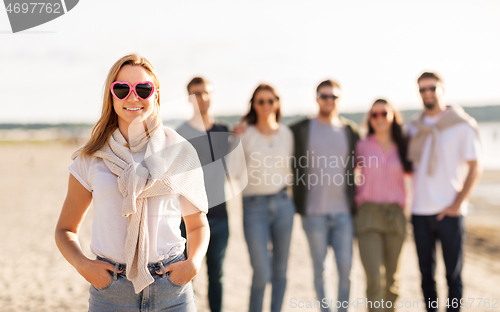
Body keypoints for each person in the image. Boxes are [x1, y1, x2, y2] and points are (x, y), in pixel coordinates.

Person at [55, 54, 210, 312]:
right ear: (111, 95)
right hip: (111, 293)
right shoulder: (91, 157)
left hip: (172, 291)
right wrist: (84, 266)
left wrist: (193, 263)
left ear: (156, 94)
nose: (133, 96)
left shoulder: (180, 151)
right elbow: (65, 230)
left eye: (143, 88)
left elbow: (197, 225)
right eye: (122, 89)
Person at [408, 72, 482, 312]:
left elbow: (475, 167)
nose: (428, 93)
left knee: (453, 275)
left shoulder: (461, 124)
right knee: (426, 276)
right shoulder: (414, 127)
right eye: (422, 89)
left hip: (449, 212)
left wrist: (458, 203)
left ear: (442, 89)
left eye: (432, 88)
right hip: (419, 211)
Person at [290, 79, 359, 312]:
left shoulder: (350, 131)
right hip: (313, 213)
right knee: (320, 269)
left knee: (346, 269)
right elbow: (271, 133)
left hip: (344, 213)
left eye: (334, 97)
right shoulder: (300, 129)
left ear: (339, 100)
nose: (329, 100)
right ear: (316, 98)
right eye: (324, 96)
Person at [229, 84, 295, 312]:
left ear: (277, 103)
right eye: (260, 101)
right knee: (261, 273)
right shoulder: (244, 134)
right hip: (253, 206)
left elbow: (292, 170)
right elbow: (233, 172)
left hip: (284, 205)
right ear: (254, 105)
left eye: (270, 101)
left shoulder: (287, 134)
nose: (266, 105)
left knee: (280, 272)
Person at [176, 77, 230, 312]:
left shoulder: (224, 131)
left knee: (216, 276)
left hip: (220, 215)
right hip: (187, 220)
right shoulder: (180, 133)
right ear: (189, 98)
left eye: (206, 92)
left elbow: (228, 171)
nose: (202, 98)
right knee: (188, 276)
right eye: (197, 93)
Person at [354, 99, 412, 312]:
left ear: (393, 116)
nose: (379, 118)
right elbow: (342, 173)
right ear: (369, 118)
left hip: (395, 216)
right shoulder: (361, 145)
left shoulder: (404, 145)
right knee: (374, 279)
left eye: (384, 113)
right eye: (374, 114)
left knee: (392, 281)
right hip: (368, 215)